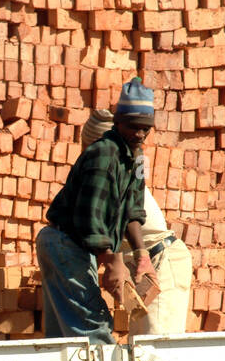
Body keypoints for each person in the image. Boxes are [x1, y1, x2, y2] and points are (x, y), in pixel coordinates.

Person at [36, 77, 156, 343]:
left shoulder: (136, 159)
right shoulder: (104, 154)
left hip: (76, 246)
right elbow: (89, 217)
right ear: (117, 122)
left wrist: (141, 254)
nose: (140, 134)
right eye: (133, 127)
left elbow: (134, 212)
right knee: (94, 329)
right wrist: (110, 260)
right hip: (65, 243)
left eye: (146, 129)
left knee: (63, 338)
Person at [80, 109, 193, 335]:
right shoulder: (101, 176)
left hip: (158, 265)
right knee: (139, 348)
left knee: (156, 351)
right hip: (137, 269)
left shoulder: (116, 176)